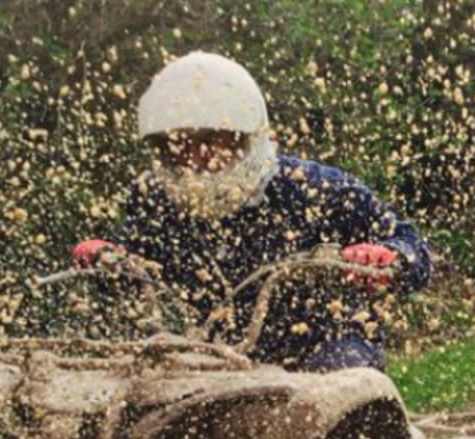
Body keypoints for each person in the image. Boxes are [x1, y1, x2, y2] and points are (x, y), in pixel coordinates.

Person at [71, 52, 431, 371]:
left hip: (323, 350)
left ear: (245, 139)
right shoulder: (154, 198)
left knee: (341, 378)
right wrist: (107, 259)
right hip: (210, 355)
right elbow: (134, 265)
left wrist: (389, 256)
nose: (196, 158)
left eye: (211, 140)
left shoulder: (317, 187)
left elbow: (412, 247)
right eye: (179, 144)